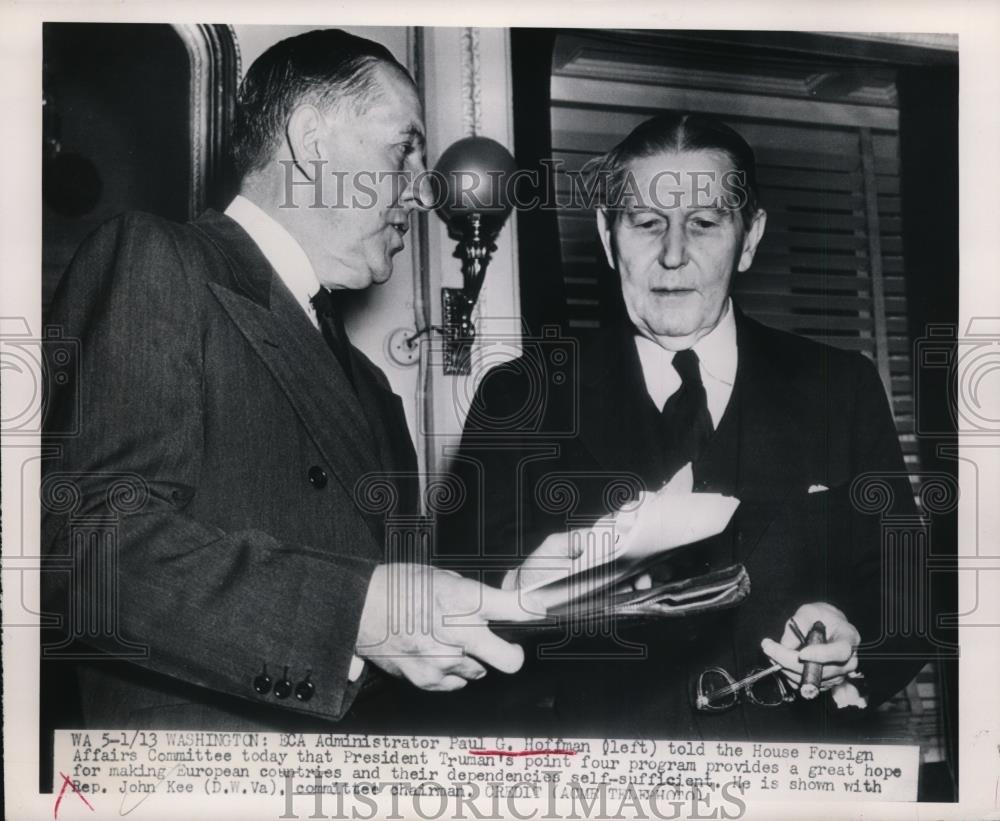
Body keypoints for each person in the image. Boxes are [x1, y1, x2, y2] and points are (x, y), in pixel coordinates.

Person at [40, 28, 530, 732]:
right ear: (311, 140)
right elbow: (84, 549)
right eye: (403, 149)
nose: (426, 191)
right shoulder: (159, 259)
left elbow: (394, 616)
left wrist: (529, 589)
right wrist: (351, 614)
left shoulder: (373, 388)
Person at [436, 111, 926, 740]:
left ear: (749, 238)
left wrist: (851, 645)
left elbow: (907, 603)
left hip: (792, 770)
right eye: (646, 223)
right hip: (599, 776)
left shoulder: (841, 387)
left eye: (703, 224)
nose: (673, 255)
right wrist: (524, 596)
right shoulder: (519, 396)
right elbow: (457, 605)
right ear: (608, 237)